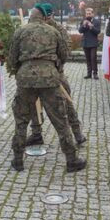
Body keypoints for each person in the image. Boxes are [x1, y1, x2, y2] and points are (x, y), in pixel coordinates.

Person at [7, 4, 86, 173]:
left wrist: (20, 70)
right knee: (60, 120)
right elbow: (64, 54)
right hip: (49, 79)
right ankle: (71, 160)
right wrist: (54, 67)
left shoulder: (20, 31)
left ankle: (18, 160)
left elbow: (12, 57)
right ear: (44, 17)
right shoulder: (53, 31)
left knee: (21, 120)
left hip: (26, 80)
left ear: (31, 16)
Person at [26, 13, 88, 149]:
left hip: (55, 74)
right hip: (34, 74)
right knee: (33, 104)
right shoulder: (31, 26)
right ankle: (36, 133)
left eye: (47, 16)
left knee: (66, 103)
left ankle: (77, 134)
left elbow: (66, 49)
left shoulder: (58, 30)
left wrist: (56, 65)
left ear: (50, 16)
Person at [77, 8, 101, 78]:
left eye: (89, 13)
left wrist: (91, 26)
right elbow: (80, 31)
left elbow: (98, 32)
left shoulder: (97, 22)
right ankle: (89, 73)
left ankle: (95, 73)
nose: (88, 15)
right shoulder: (83, 21)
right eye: (87, 14)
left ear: (92, 14)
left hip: (93, 43)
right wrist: (84, 25)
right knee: (88, 59)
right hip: (85, 43)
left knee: (93, 58)